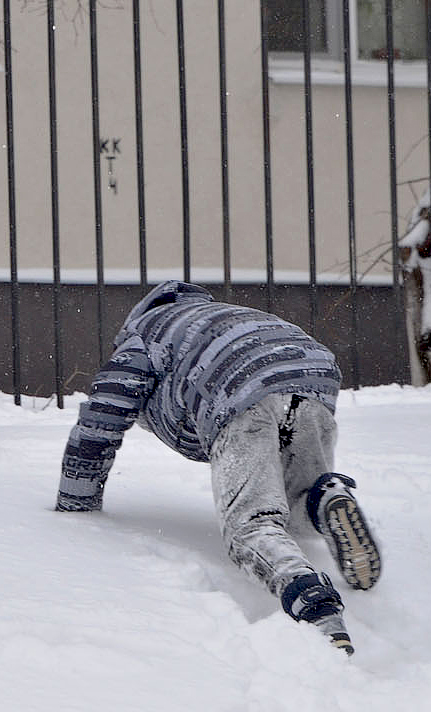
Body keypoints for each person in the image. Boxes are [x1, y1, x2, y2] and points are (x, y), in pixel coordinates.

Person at [55, 280, 382, 654]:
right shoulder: (215, 318)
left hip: (239, 388)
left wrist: (75, 505)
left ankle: (312, 603)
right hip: (312, 374)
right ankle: (325, 499)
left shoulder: (143, 337)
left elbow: (101, 420)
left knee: (252, 525)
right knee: (298, 500)